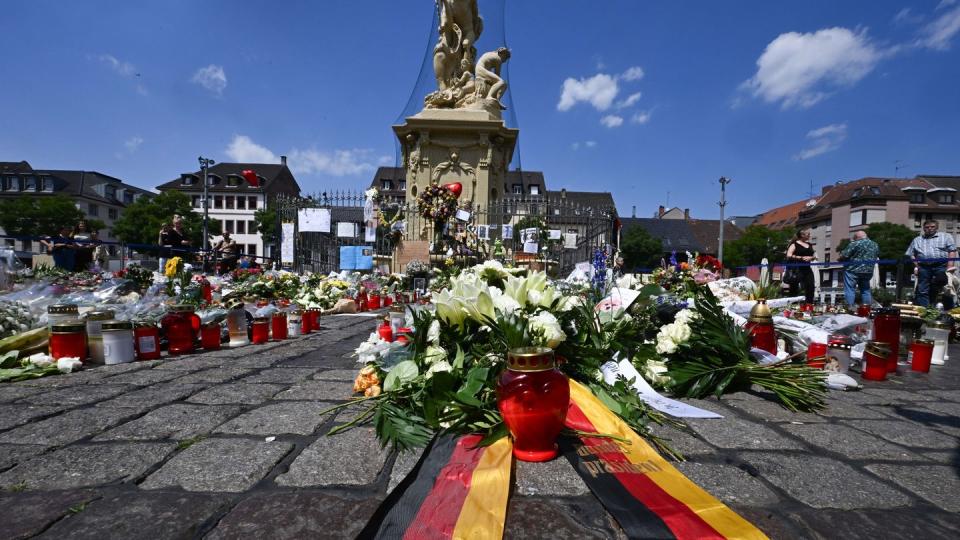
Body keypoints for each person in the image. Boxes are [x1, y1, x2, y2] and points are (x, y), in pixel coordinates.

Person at [906, 219, 957, 308]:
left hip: (941, 265)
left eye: (932, 227)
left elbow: (952, 250)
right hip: (924, 267)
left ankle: (949, 309)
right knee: (922, 290)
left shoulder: (945, 236)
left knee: (946, 287)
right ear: (923, 228)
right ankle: (925, 310)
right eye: (927, 227)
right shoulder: (917, 240)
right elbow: (911, 254)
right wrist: (917, 266)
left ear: (936, 227)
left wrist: (950, 266)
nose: (930, 229)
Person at [839, 231, 879, 308]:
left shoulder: (855, 243)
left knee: (850, 289)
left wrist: (840, 258)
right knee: (865, 290)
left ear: (857, 237)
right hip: (868, 271)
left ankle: (850, 308)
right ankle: (867, 309)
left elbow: (844, 255)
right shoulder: (875, 244)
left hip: (853, 270)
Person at [785, 229, 816, 303]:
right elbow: (788, 255)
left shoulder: (810, 245)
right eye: (808, 234)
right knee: (794, 288)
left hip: (807, 269)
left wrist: (811, 258)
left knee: (810, 287)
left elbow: (814, 255)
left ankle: (809, 305)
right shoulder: (794, 244)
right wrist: (800, 257)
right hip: (797, 269)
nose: (809, 235)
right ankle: (793, 306)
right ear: (802, 235)